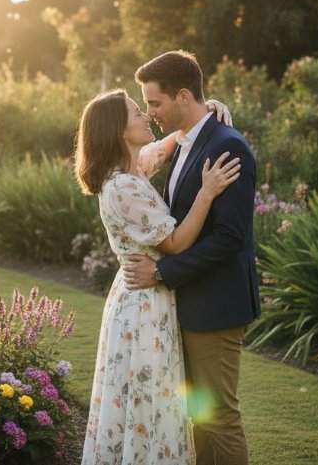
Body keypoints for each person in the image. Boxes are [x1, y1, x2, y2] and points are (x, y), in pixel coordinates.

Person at [75, 88, 242, 465]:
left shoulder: (128, 170)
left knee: (144, 400)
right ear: (119, 130)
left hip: (143, 295)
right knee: (149, 405)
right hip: (143, 306)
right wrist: (208, 191)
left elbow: (165, 148)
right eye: (137, 112)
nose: (146, 115)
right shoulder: (124, 187)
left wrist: (204, 112)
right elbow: (177, 243)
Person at [122, 50, 259, 465]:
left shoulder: (228, 146)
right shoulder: (184, 142)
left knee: (220, 417)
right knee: (199, 417)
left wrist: (163, 271)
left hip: (216, 306)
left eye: (154, 103)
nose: (150, 112)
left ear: (183, 95)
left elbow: (229, 238)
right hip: (191, 303)